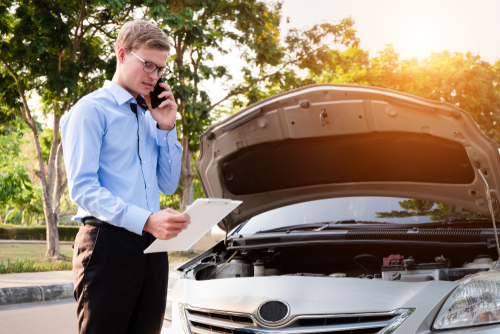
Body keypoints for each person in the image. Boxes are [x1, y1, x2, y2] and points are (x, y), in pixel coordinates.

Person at [61, 20, 191, 334]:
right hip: (107, 245)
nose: (154, 76)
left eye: (160, 69)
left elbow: (167, 183)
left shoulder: (151, 115)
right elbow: (83, 189)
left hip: (152, 249)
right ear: (122, 54)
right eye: (148, 65)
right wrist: (146, 219)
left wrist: (166, 128)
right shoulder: (90, 111)